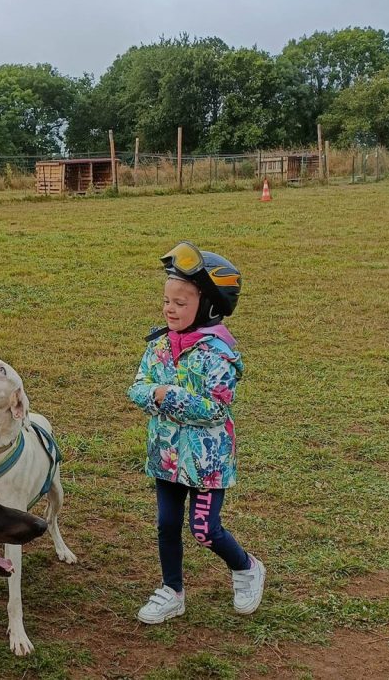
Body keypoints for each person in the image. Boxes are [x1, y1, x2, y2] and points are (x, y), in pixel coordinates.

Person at [127, 241, 264, 624]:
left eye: (180, 303)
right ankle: (173, 591)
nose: (170, 309)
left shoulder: (219, 353)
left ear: (207, 306)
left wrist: (166, 395)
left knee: (204, 529)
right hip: (166, 457)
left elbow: (216, 408)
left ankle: (246, 567)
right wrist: (153, 393)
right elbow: (137, 387)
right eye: (166, 300)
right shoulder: (158, 346)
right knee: (166, 526)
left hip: (207, 462)